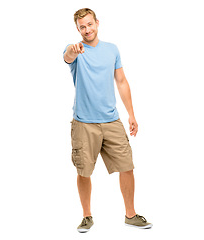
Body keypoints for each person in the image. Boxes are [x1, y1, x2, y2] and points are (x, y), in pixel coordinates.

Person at [63, 8, 152, 233]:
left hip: (112, 121)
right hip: (84, 123)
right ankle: (86, 216)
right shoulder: (75, 49)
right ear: (77, 29)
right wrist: (73, 51)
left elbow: (121, 81)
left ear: (97, 23)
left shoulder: (112, 50)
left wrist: (131, 114)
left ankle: (130, 215)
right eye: (82, 27)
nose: (87, 29)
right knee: (83, 171)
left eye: (90, 24)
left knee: (127, 167)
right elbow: (67, 57)